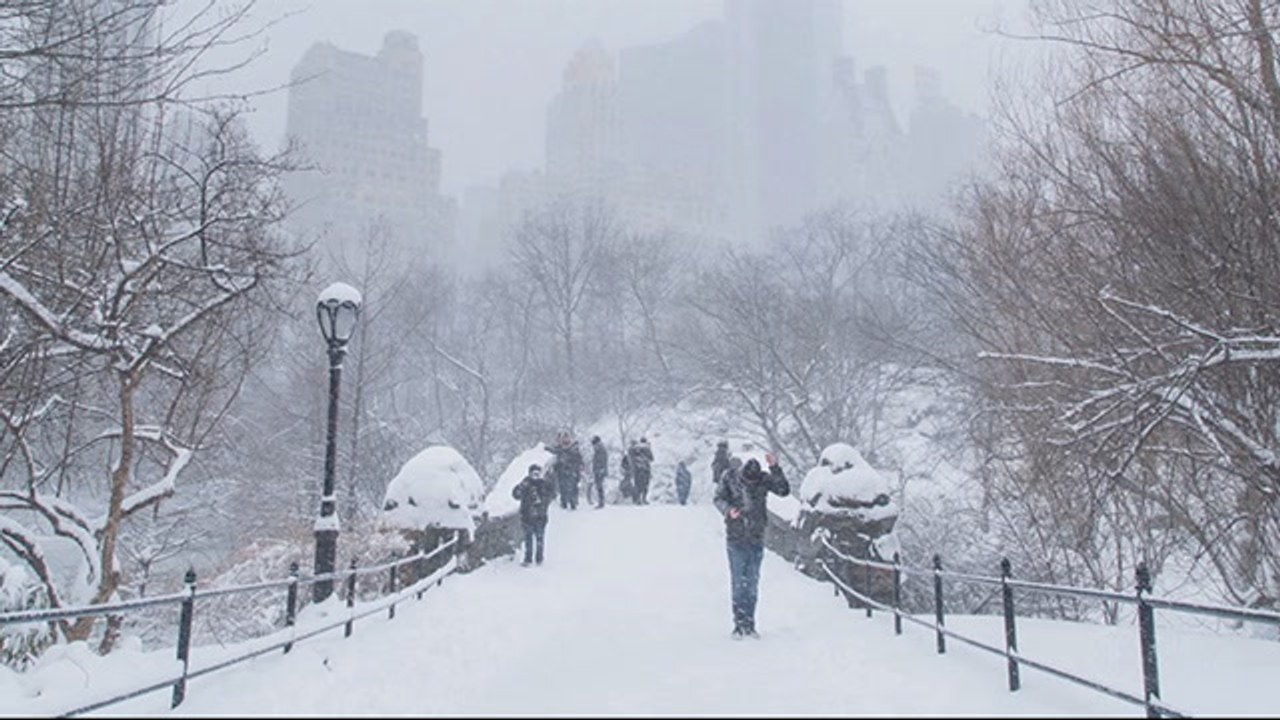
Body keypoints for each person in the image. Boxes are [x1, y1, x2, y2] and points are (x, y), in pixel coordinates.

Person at [713, 453, 790, 639]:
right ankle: (739, 624)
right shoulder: (729, 477)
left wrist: (775, 468)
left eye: (754, 482)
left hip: (756, 537)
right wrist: (728, 511)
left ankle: (750, 623)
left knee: (752, 583)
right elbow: (718, 498)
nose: (751, 484)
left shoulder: (763, 479)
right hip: (736, 537)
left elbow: (783, 490)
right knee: (739, 583)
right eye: (748, 481)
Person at [511, 463, 554, 566]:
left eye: (537, 473)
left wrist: (543, 500)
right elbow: (516, 495)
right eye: (533, 473)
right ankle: (528, 558)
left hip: (540, 516)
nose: (535, 476)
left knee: (539, 538)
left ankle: (539, 558)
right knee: (529, 539)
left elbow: (552, 494)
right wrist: (521, 488)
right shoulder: (526, 483)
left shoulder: (544, 484)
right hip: (528, 517)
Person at [546, 432, 584, 510]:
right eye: (564, 439)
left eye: (566, 439)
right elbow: (554, 451)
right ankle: (565, 503)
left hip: (571, 471)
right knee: (563, 487)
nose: (565, 441)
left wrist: (578, 467)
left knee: (571, 487)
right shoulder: (561, 449)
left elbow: (579, 460)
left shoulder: (573, 449)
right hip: (562, 471)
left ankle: (572, 503)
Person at [630, 437, 654, 504]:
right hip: (646, 469)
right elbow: (652, 458)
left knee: (637, 484)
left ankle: (638, 499)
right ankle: (644, 499)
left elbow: (632, 458)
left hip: (637, 469)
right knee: (645, 485)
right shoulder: (647, 448)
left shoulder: (635, 448)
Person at [590, 435, 608, 509]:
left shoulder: (601, 450)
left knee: (599, 486)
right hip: (598, 470)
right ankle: (601, 501)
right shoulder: (599, 450)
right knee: (598, 486)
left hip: (600, 471)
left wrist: (601, 469)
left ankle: (601, 502)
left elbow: (602, 461)